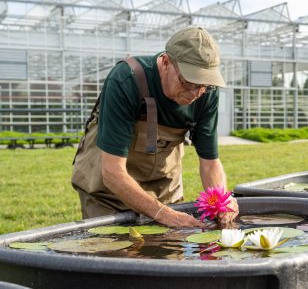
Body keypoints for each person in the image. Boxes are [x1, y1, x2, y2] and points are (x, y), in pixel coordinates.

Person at [71, 26, 238, 228]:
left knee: (170, 256)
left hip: (165, 192)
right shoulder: (127, 79)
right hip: (109, 196)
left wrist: (221, 202)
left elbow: (210, 162)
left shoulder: (205, 92)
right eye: (188, 81)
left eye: (205, 85)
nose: (196, 93)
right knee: (114, 254)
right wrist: (163, 214)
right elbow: (112, 172)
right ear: (166, 62)